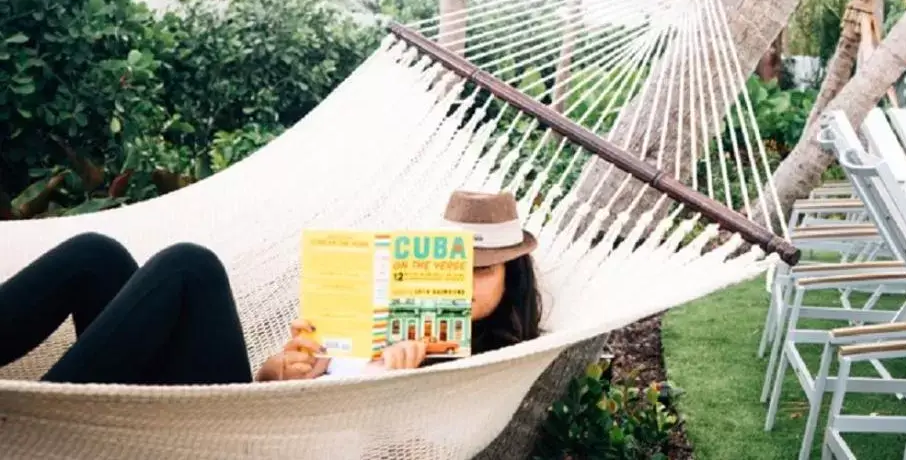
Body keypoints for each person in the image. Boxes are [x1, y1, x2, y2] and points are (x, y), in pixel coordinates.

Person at [0, 189, 542, 386]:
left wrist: (394, 380)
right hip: (235, 408)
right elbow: (268, 390)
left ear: (510, 278)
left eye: (482, 270)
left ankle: (26, 422)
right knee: (98, 254)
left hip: (238, 444)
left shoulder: (488, 367)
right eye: (456, 264)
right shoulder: (388, 304)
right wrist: (283, 370)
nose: (463, 284)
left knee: (191, 267)